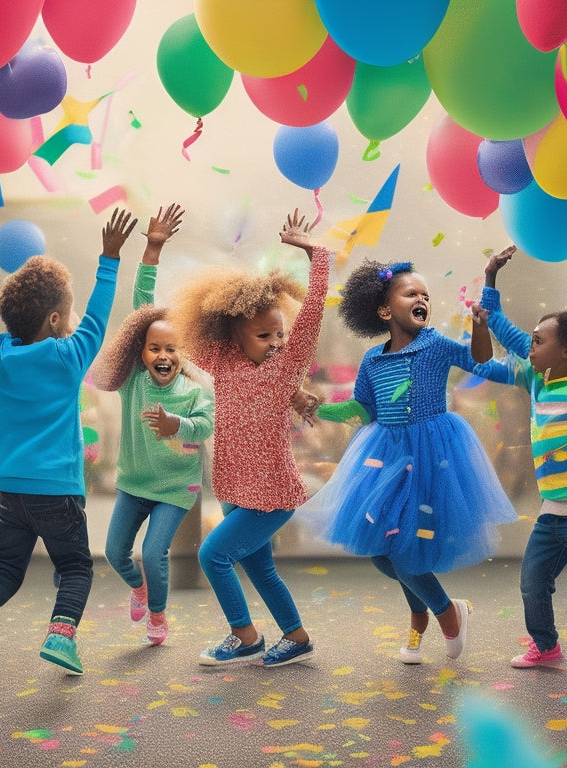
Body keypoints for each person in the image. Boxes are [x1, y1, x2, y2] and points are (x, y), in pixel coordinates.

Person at [0, 209, 137, 677]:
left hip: (14, 491)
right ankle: (61, 637)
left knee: (6, 567)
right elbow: (101, 315)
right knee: (75, 568)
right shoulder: (69, 356)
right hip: (57, 491)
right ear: (54, 319)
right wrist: (109, 258)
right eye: (67, 313)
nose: (73, 320)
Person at [300, 259, 517, 664]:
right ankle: (423, 611)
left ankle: (447, 614)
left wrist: (481, 326)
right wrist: (321, 408)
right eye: (410, 293)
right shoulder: (372, 360)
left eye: (425, 295)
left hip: (433, 457)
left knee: (405, 551)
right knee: (385, 552)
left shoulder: (435, 344)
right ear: (384, 310)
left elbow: (480, 360)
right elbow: (364, 410)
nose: (421, 299)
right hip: (386, 458)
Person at [170, 209, 328, 667]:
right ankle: (295, 637)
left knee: (212, 555)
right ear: (232, 336)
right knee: (261, 569)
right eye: (263, 335)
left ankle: (245, 635)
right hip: (236, 490)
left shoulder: (283, 370)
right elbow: (192, 328)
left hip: (271, 493)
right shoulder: (224, 362)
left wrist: (314, 255)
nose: (276, 342)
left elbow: (314, 311)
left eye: (280, 333)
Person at [91, 203, 214, 646]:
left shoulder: (197, 388)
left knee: (153, 553)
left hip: (177, 488)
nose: (163, 356)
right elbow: (140, 310)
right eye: (154, 348)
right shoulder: (133, 383)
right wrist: (152, 248)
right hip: (134, 482)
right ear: (141, 353)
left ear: (183, 354)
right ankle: (138, 587)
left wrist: (175, 424)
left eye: (172, 350)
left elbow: (203, 427)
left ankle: (158, 615)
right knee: (115, 553)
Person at [475, 246, 567, 669]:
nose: (529, 345)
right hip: (552, 511)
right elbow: (500, 327)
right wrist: (491, 278)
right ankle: (546, 648)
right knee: (533, 583)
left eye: (538, 341)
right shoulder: (538, 382)